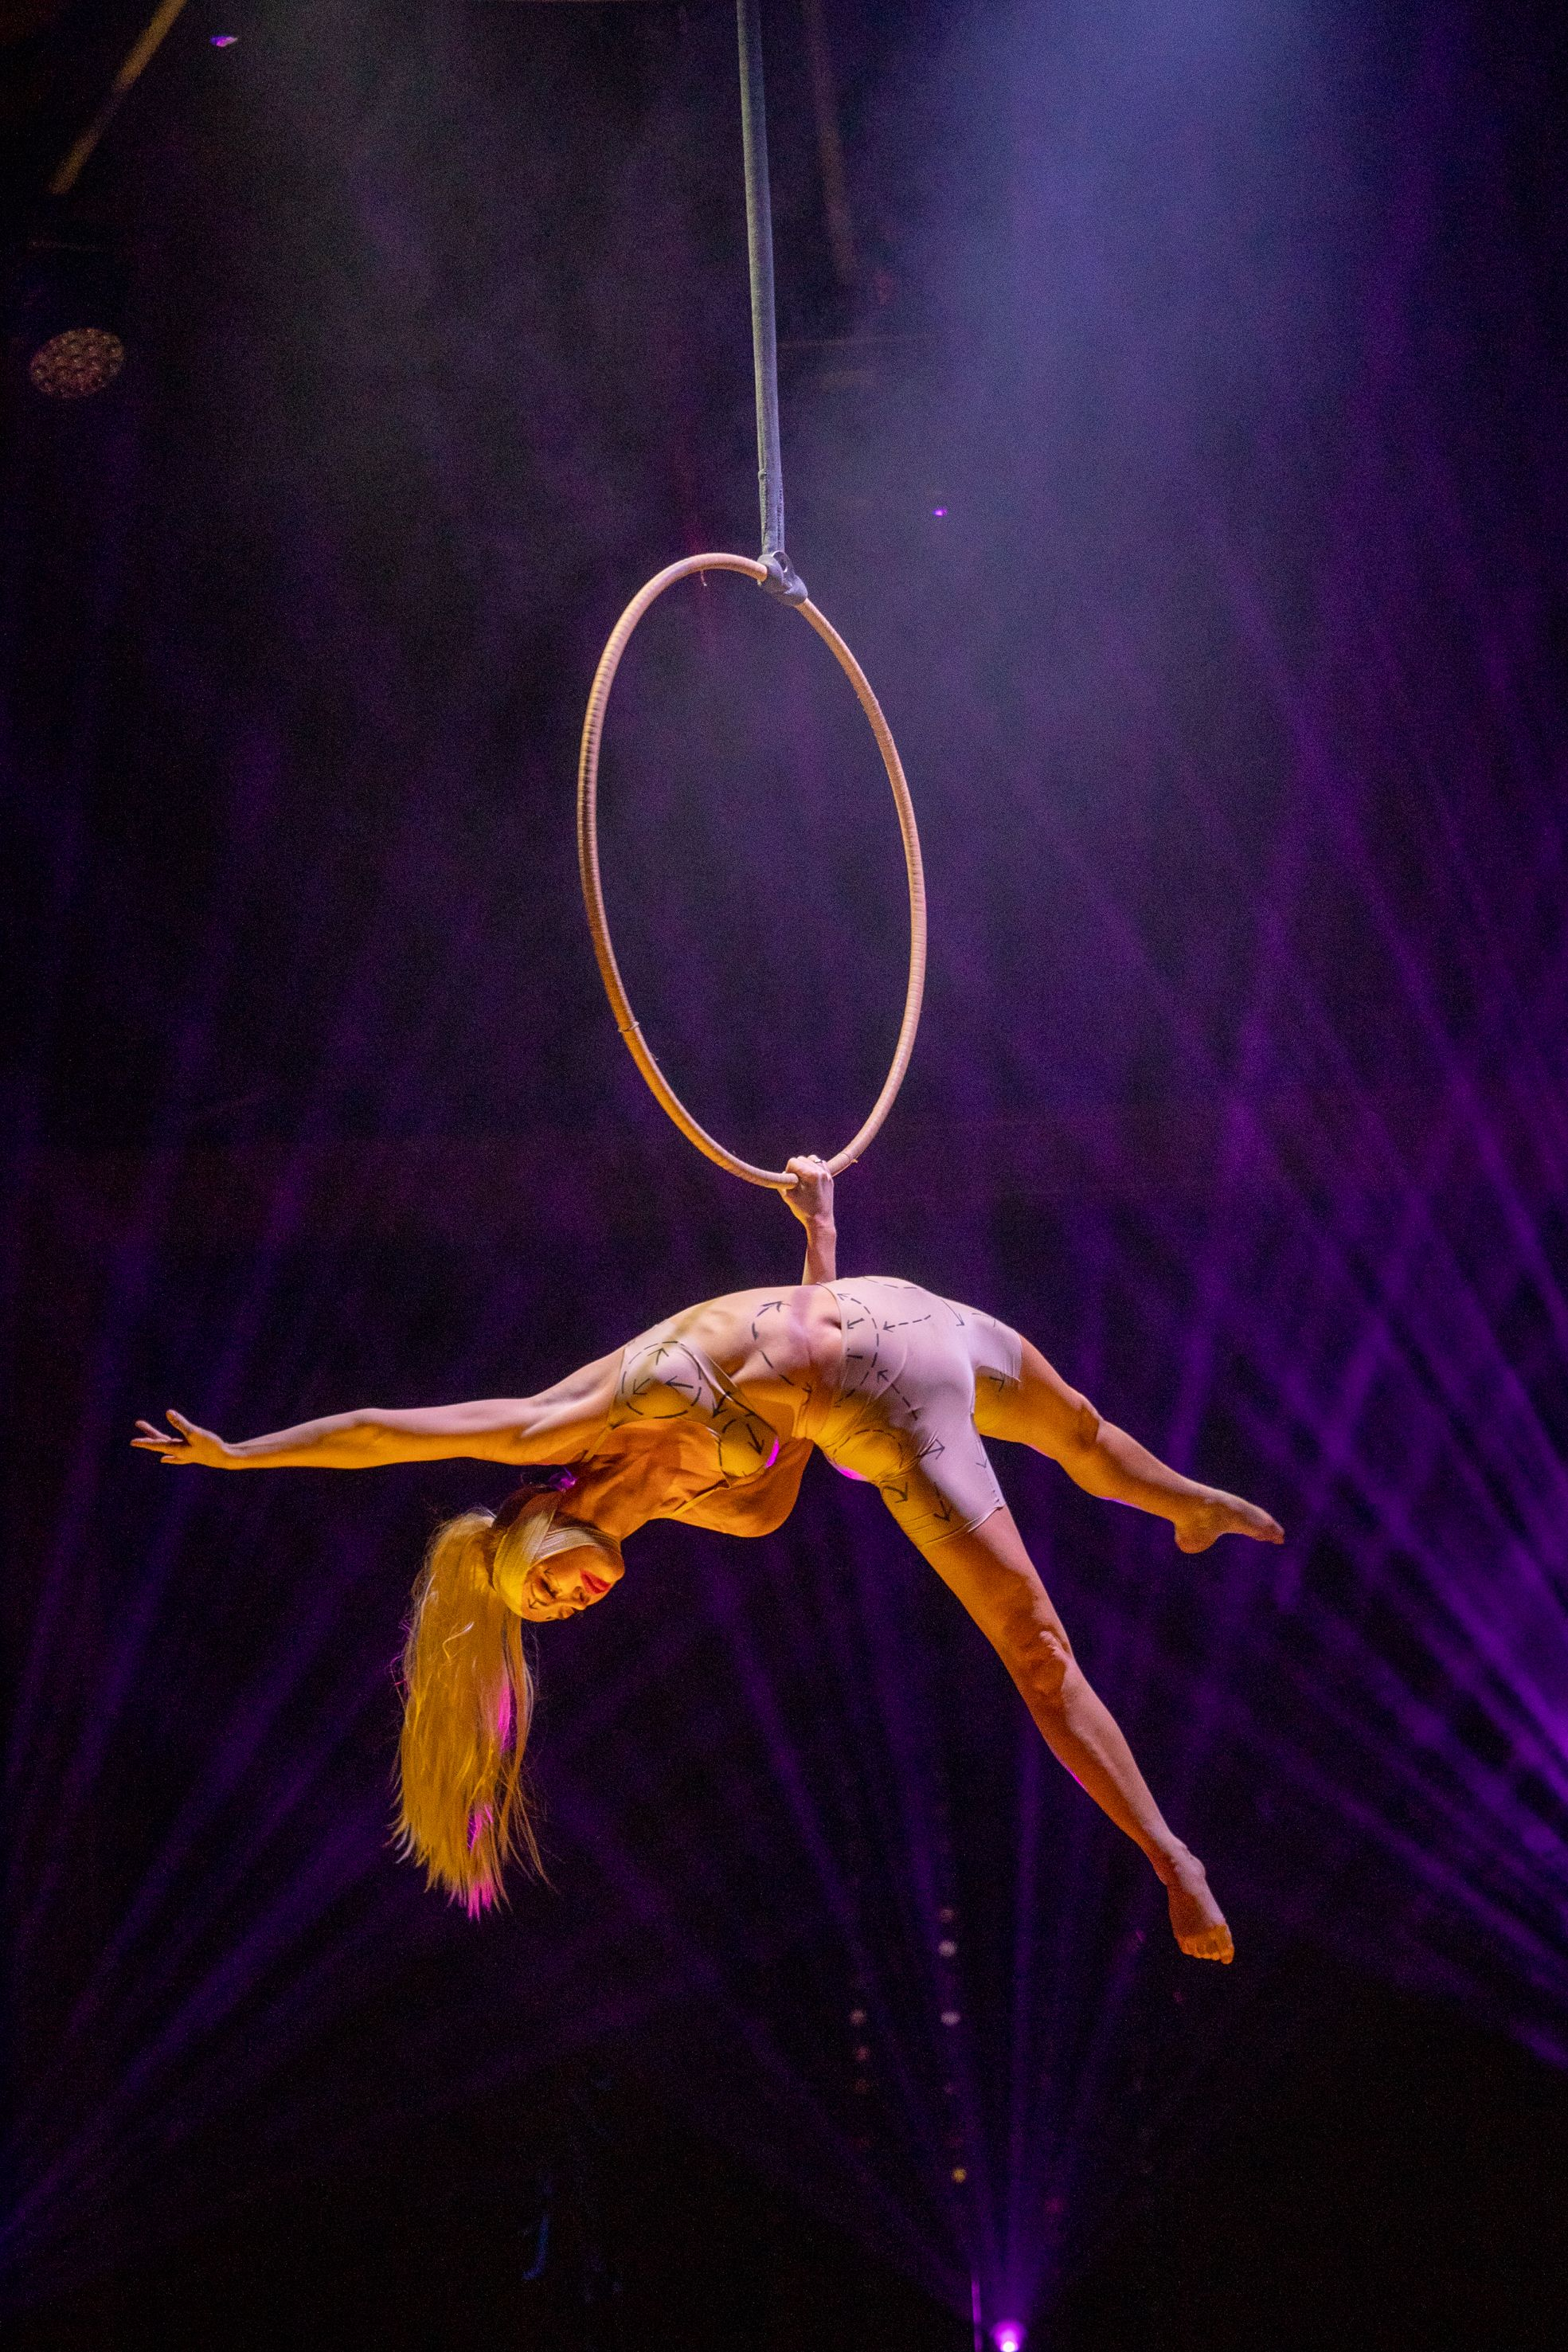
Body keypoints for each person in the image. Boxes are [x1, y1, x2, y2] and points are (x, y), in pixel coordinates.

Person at [134, 1157, 1281, 1951]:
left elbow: (390, 1431)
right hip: (891, 1418)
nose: (569, 1600)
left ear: (526, 1517)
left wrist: (246, 1457)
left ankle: (1183, 1504)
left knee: (1080, 1430)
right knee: (1036, 1648)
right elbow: (808, 1396)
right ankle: (1173, 1856)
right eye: (562, 1612)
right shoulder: (730, 1518)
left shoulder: (565, 1422)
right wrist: (820, 1242)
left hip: (915, 1315)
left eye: (541, 1586)